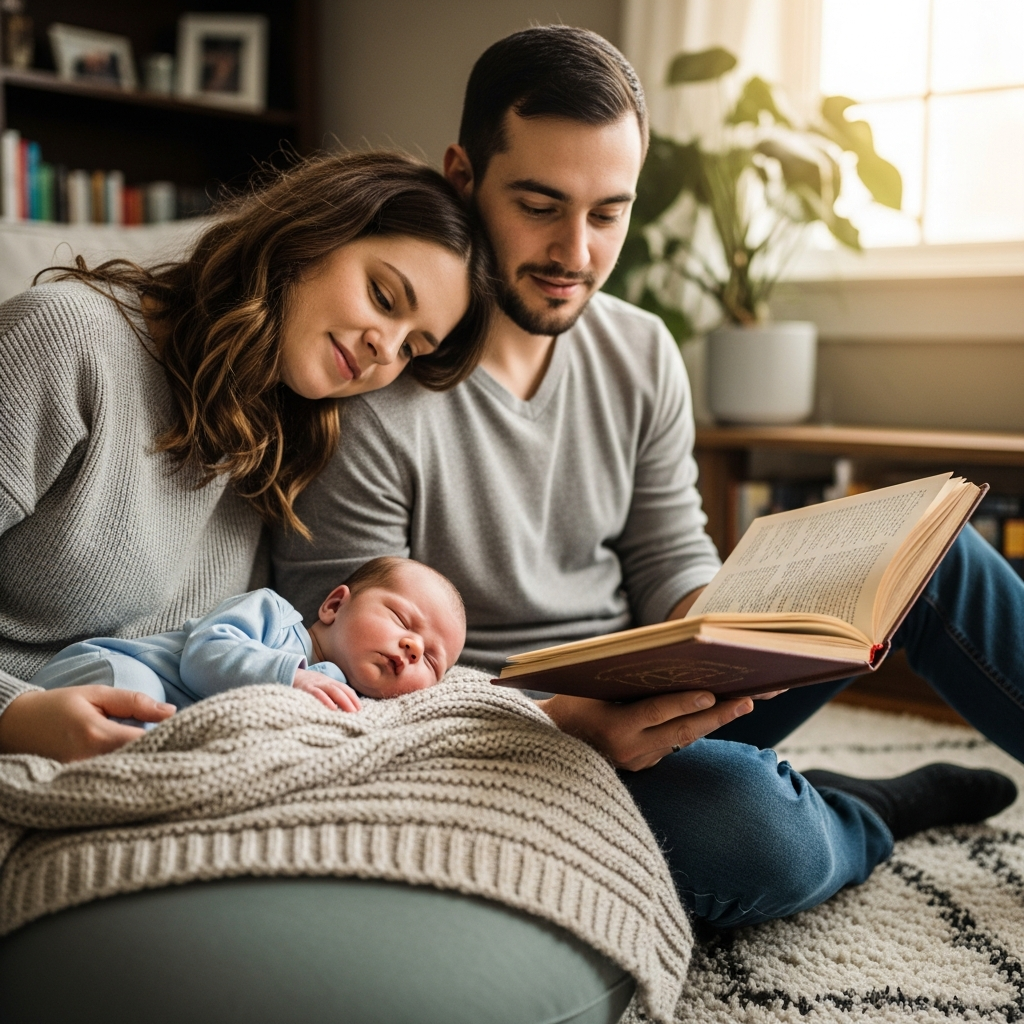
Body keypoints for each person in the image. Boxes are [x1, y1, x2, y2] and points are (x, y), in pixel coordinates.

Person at [272, 26, 1019, 929]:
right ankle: (867, 811)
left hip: (650, 697)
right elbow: (340, 663)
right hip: (500, 744)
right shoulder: (374, 378)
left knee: (934, 553)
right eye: (540, 205)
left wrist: (743, 631)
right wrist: (560, 719)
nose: (575, 252)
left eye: (608, 214)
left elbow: (670, 559)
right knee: (754, 827)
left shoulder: (639, 348)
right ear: (463, 177)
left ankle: (791, 784)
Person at [0, 150, 492, 762]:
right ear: (311, 235)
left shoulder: (278, 439)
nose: (384, 350)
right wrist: (14, 715)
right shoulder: (65, 342)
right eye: (383, 296)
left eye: (413, 348)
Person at [29, 557, 466, 715]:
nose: (413, 647)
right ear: (334, 606)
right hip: (109, 669)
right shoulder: (271, 614)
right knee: (137, 692)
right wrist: (290, 676)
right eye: (401, 618)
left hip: (163, 724)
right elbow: (203, 655)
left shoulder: (350, 705)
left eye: (432, 661)